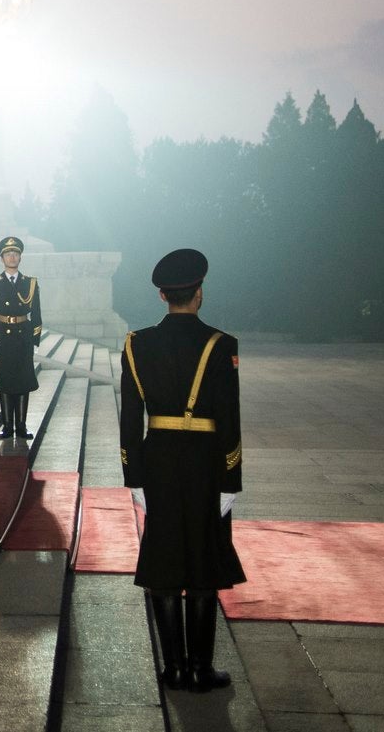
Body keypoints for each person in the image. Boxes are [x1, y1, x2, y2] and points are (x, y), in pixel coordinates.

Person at [120, 247, 245, 693]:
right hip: (205, 464)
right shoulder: (221, 344)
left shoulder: (137, 344)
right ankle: (200, 668)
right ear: (199, 293)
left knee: (165, 563)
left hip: (158, 461)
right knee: (203, 565)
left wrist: (133, 476)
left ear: (161, 295)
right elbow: (229, 419)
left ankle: (172, 668)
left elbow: (130, 418)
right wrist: (231, 479)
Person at [0, 235, 43, 439]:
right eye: (8, 254)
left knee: (23, 381)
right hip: (3, 337)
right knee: (6, 381)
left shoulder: (30, 283)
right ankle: (8, 426)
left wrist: (35, 341)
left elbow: (36, 314)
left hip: (23, 336)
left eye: (15, 254)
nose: (12, 257)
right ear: (2, 258)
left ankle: (22, 426)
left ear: (20, 257)